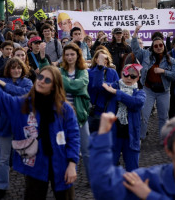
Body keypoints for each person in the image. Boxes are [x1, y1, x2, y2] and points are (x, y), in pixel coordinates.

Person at [0, 55, 80, 200]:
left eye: (47, 80)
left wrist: (72, 164)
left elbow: (73, 137)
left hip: (61, 163)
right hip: (36, 165)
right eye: (40, 77)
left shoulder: (65, 109)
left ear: (54, 86)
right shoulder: (22, 104)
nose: (40, 81)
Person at [88, 112, 175, 199]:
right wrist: (103, 136)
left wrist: (148, 195)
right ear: (169, 151)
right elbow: (105, 188)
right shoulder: (149, 178)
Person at [0, 57, 33, 199]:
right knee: (3, 158)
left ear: (23, 68)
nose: (16, 70)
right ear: (8, 69)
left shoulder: (27, 82)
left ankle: (32, 185)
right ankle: (1, 187)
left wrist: (5, 86)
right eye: (13, 68)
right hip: (3, 123)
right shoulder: (1, 81)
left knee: (27, 156)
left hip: (22, 124)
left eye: (19, 68)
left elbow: (24, 95)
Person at [131, 26, 175, 139]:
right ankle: (141, 137)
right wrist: (135, 34)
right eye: (156, 45)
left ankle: (164, 139)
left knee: (163, 117)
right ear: (153, 47)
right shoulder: (146, 55)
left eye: (161, 45)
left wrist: (164, 71)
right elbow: (136, 49)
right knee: (144, 115)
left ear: (164, 46)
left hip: (164, 91)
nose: (158, 47)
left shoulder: (170, 60)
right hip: (148, 90)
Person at [98, 64, 146, 171]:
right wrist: (100, 66)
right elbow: (98, 85)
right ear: (122, 74)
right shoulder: (114, 85)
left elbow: (136, 102)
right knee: (109, 169)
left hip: (131, 136)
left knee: (132, 170)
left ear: (138, 78)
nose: (129, 78)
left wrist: (116, 92)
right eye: (126, 74)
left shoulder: (139, 92)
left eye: (133, 76)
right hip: (113, 134)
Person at [60, 43, 91, 180]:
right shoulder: (60, 71)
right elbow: (74, 86)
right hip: (63, 116)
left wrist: (66, 83)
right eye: (67, 55)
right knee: (65, 149)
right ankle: (67, 177)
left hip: (80, 115)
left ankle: (92, 179)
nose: (69, 57)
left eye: (72, 54)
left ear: (78, 55)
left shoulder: (83, 71)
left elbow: (77, 86)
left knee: (87, 150)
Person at [88, 49, 119, 133]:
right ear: (95, 59)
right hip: (94, 112)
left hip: (108, 111)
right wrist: (108, 86)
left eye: (105, 58)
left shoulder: (113, 72)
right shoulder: (89, 72)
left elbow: (117, 87)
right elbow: (96, 86)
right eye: (100, 58)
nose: (103, 60)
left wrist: (106, 86)